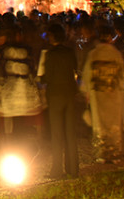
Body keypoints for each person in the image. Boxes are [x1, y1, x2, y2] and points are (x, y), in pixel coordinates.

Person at [37, 24, 79, 178]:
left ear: (52, 37)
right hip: (69, 93)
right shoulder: (69, 52)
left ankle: (57, 169)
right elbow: (75, 69)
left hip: (55, 95)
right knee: (70, 132)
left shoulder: (50, 54)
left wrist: (40, 78)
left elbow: (46, 77)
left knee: (57, 133)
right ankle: (73, 168)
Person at [82, 23, 124, 163]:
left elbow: (87, 75)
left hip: (97, 92)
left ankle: (101, 152)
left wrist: (85, 91)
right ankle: (114, 152)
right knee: (113, 122)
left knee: (99, 123)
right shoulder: (116, 53)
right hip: (113, 91)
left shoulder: (93, 54)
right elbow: (122, 74)